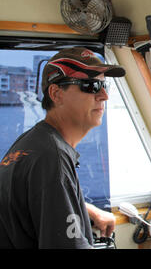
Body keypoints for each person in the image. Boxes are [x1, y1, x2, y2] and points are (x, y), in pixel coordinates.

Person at [0, 47, 125, 248]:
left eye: (104, 86)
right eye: (91, 85)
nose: (104, 96)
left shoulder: (34, 142)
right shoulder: (52, 158)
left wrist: (85, 210)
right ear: (56, 93)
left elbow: (36, 202)